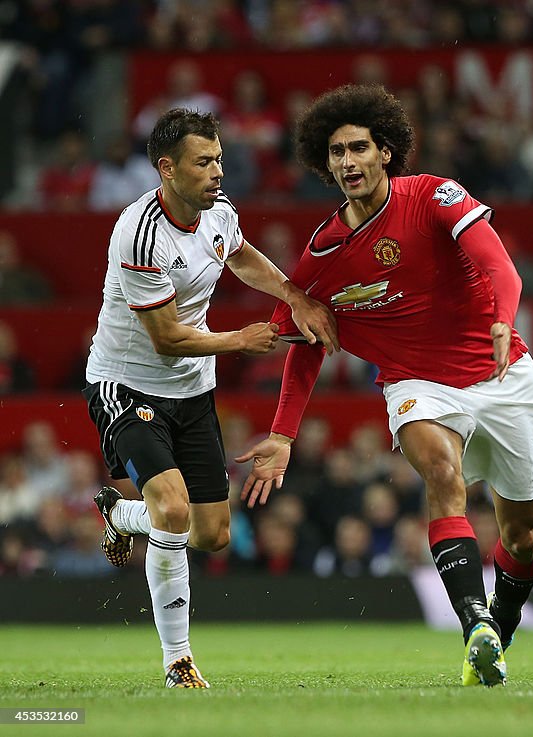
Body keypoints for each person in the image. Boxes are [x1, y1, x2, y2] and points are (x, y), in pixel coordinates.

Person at [235, 84, 533, 687]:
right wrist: (282, 434)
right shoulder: (322, 256)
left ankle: (498, 638)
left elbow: (498, 266)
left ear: (386, 152)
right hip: (416, 384)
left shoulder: (434, 195)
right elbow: (303, 345)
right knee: (440, 472)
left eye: (359, 148)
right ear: (323, 164)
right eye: (336, 153)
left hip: (502, 374)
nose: (348, 162)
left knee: (522, 532)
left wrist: (503, 321)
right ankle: (473, 622)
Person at [83, 108, 338, 689]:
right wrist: (240, 341)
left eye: (219, 158)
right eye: (204, 161)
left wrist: (294, 295)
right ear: (166, 168)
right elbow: (168, 339)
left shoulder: (218, 214)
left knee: (212, 532)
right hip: (128, 382)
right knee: (172, 510)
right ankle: (178, 661)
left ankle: (124, 515)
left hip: (192, 390)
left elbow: (239, 254)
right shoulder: (140, 232)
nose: (218, 170)